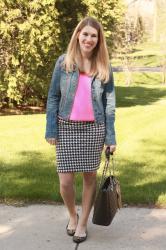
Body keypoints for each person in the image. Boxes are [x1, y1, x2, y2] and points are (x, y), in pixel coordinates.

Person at [45, 16, 116, 243]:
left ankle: (82, 222)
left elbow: (110, 104)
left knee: (89, 178)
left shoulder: (104, 66)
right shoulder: (64, 62)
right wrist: (51, 129)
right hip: (66, 128)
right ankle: (72, 215)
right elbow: (53, 97)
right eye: (85, 34)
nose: (89, 39)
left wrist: (110, 136)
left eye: (93, 35)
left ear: (98, 39)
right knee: (65, 182)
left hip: (94, 130)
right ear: (78, 35)